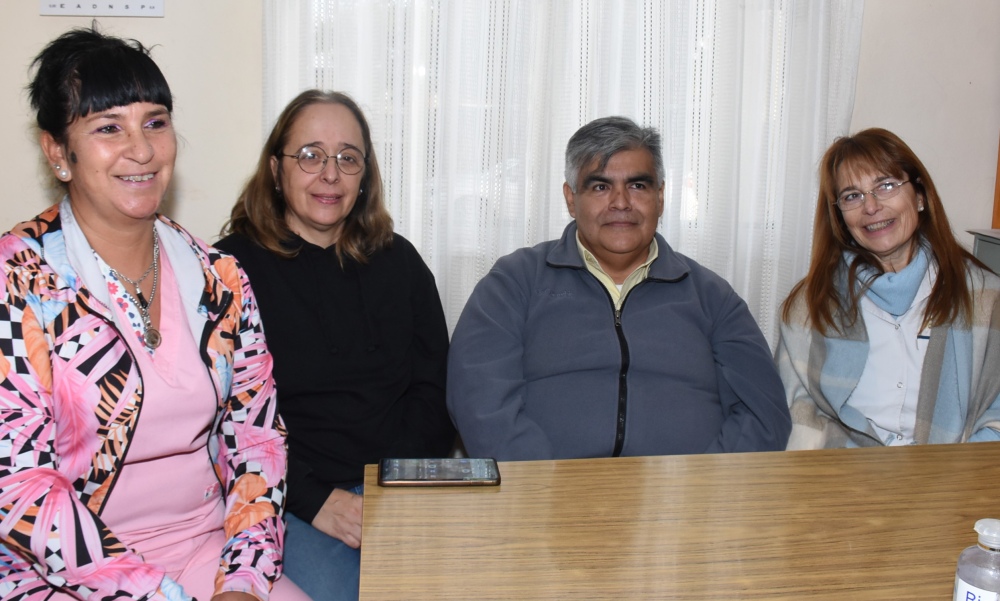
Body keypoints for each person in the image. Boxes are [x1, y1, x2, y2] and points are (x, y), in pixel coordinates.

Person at [0, 28, 309, 601]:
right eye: (108, 127)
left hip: (205, 547)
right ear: (57, 152)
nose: (141, 149)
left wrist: (241, 582)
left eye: (156, 122)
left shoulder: (221, 278)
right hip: (60, 571)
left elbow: (257, 437)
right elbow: (18, 486)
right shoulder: (18, 281)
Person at [216, 89, 455, 601]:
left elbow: (433, 388)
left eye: (348, 158)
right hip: (288, 498)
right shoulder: (226, 272)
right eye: (310, 156)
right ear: (276, 170)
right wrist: (317, 500)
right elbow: (223, 420)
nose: (330, 174)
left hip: (398, 487)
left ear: (364, 176)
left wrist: (393, 486)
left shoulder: (401, 263)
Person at [446, 116, 791, 461]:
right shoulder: (513, 283)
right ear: (570, 199)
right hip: (546, 499)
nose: (621, 202)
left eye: (638, 186)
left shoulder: (713, 297)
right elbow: (479, 400)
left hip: (688, 501)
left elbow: (764, 413)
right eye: (600, 187)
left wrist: (702, 489)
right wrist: (546, 491)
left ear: (660, 197)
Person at [775, 128, 1000, 449]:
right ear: (840, 216)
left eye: (886, 185)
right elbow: (796, 411)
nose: (871, 206)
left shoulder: (987, 299)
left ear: (920, 196)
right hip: (841, 474)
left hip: (955, 476)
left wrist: (955, 474)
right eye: (852, 195)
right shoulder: (808, 306)